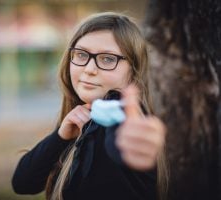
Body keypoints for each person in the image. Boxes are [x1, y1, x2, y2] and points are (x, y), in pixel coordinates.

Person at [12, 12, 168, 200]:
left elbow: (117, 139)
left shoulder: (116, 113)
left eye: (108, 59)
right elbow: (22, 183)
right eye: (81, 54)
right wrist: (60, 137)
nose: (89, 69)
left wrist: (129, 144)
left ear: (133, 72)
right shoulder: (82, 121)